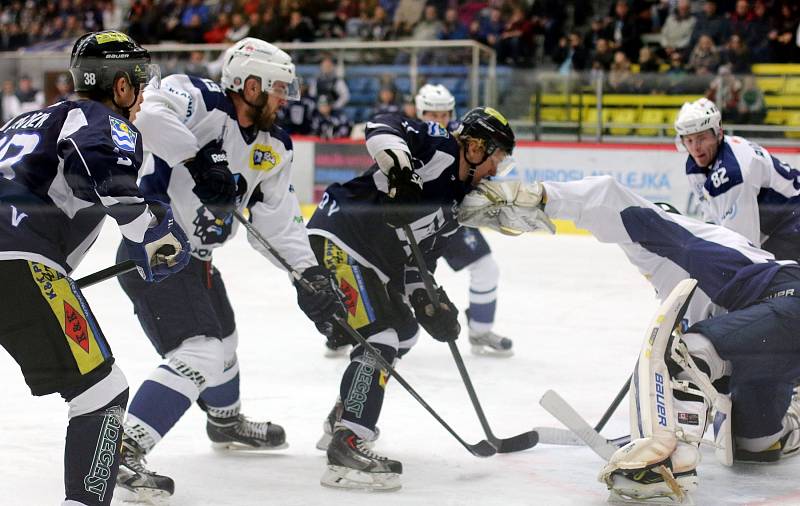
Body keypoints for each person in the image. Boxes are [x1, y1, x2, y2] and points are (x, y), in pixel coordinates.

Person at [458, 175, 800, 503]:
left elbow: (608, 198)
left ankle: (661, 466)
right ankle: (783, 424)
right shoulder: (698, 283)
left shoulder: (687, 239)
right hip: (776, 344)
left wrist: (540, 196)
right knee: (751, 442)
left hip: (789, 303)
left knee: (687, 355)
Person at [113, 37, 345, 502]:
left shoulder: (274, 145)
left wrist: (308, 274)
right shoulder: (196, 96)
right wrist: (198, 159)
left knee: (226, 343)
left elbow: (275, 218)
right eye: (279, 89)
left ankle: (225, 420)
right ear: (250, 84)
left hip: (197, 261)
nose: (284, 99)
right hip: (156, 248)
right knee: (201, 351)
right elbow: (148, 114)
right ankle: (121, 448)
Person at [0, 30, 189, 506]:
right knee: (102, 392)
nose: (142, 95)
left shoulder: (22, 122)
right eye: (139, 84)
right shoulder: (102, 118)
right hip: (19, 259)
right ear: (120, 86)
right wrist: (154, 234)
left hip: (14, 257)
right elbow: (110, 180)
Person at [306, 106, 517, 490]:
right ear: (475, 147)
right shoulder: (439, 147)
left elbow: (418, 267)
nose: (494, 171)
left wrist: (430, 303)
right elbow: (380, 122)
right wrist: (400, 169)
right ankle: (347, 445)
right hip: (341, 238)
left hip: (373, 260)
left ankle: (345, 413)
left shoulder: (456, 206)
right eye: (495, 159)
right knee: (381, 336)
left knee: (404, 332)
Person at [416, 83, 513, 356]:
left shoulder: (466, 141)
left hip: (450, 221)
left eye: (444, 114)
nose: (439, 120)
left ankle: (481, 331)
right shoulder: (412, 139)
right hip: (415, 226)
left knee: (486, 268)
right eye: (432, 115)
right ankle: (359, 332)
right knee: (397, 283)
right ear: (420, 112)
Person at [674, 98, 800, 262]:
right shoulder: (695, 165)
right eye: (689, 140)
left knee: (771, 277)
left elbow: (743, 248)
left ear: (718, 133)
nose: (695, 148)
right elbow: (713, 219)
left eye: (701, 138)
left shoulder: (732, 171)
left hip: (792, 222)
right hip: (781, 224)